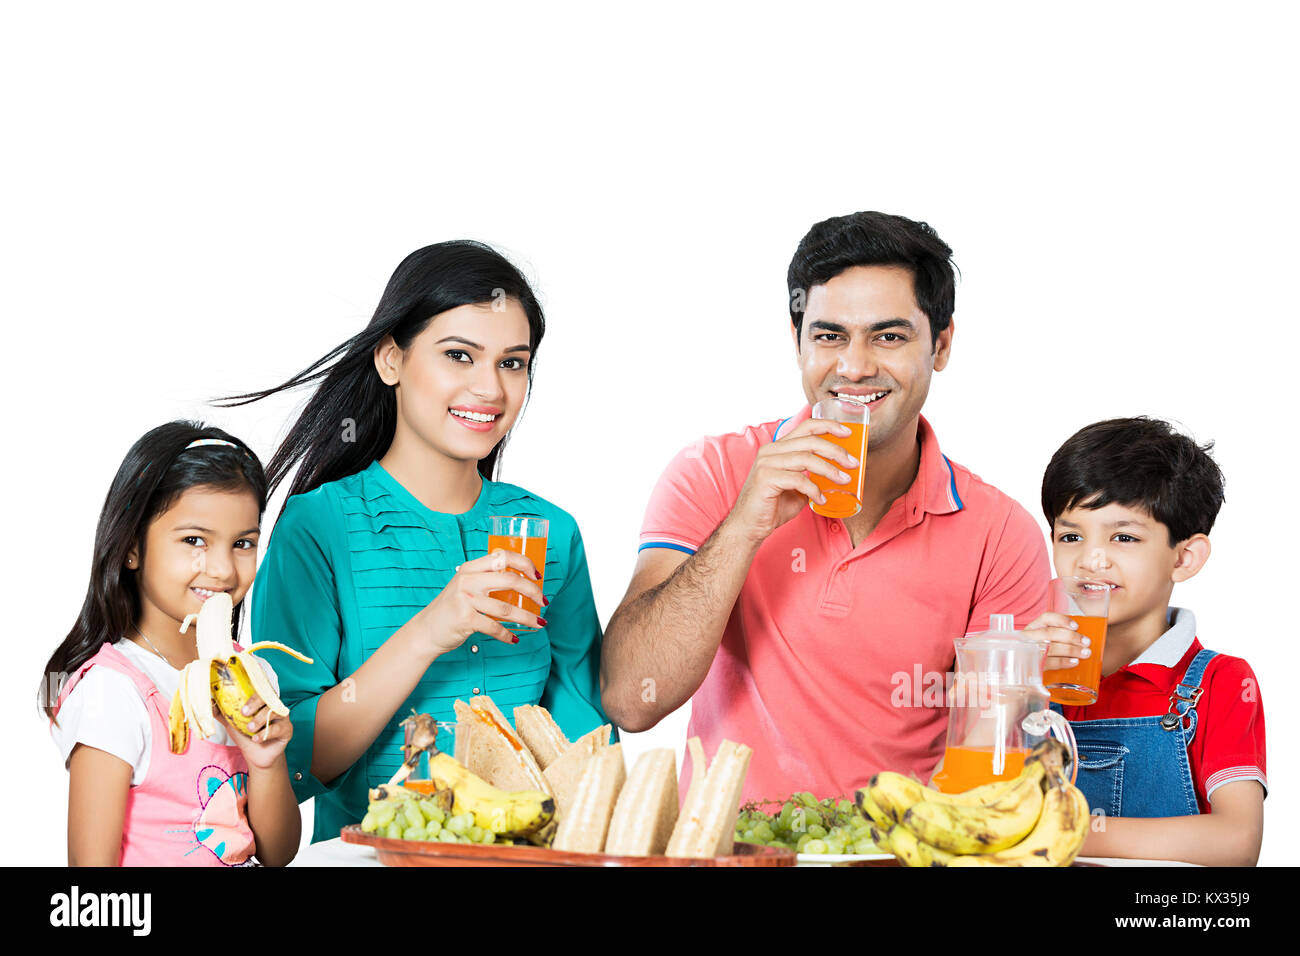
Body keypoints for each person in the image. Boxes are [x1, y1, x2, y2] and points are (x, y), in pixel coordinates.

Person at [601, 211, 1085, 803]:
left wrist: (1017, 679)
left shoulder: (999, 532)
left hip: (902, 852)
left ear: (942, 344)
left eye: (888, 336)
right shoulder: (715, 471)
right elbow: (631, 700)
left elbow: (989, 768)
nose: (854, 367)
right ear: (797, 341)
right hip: (735, 849)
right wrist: (744, 526)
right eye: (830, 335)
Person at [230, 240, 611, 843]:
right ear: (390, 360)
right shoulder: (318, 528)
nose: (490, 388)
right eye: (460, 355)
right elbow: (295, 763)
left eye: (512, 362)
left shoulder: (552, 534)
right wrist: (433, 628)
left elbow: (586, 751)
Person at [41, 422, 301, 866]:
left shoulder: (254, 675)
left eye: (243, 543)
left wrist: (266, 762)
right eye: (194, 540)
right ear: (131, 548)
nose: (221, 570)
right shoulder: (114, 691)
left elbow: (278, 853)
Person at [1029, 417, 1265, 865]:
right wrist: (1011, 683)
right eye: (1071, 536)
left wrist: (1057, 831)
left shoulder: (1221, 682)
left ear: (1184, 557)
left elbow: (1237, 841)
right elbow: (972, 805)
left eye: (1124, 537)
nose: (1091, 559)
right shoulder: (1037, 676)